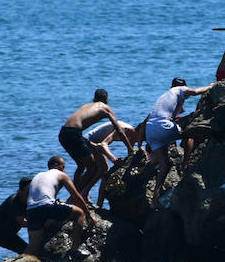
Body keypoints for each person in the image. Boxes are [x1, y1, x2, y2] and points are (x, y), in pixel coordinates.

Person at [145, 77, 215, 207]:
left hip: (150, 130)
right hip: (162, 126)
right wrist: (209, 87)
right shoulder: (179, 89)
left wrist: (138, 143)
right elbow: (195, 91)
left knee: (165, 165)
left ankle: (155, 197)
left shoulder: (164, 97)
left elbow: (147, 119)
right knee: (189, 135)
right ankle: (185, 166)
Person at [60, 89, 134, 196]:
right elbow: (119, 130)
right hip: (73, 134)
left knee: (81, 165)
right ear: (107, 100)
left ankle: (79, 195)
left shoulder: (87, 105)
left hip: (63, 133)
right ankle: (76, 197)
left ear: (94, 99)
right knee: (93, 168)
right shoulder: (106, 108)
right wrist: (130, 149)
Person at [24, 155, 93, 257]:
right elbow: (76, 196)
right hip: (46, 206)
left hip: (31, 210)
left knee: (33, 247)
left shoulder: (39, 175)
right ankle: (74, 251)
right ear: (57, 166)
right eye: (63, 167)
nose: (64, 170)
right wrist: (88, 214)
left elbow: (43, 197)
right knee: (79, 213)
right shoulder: (60, 174)